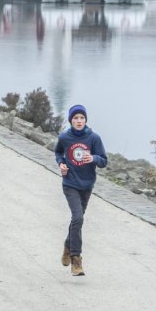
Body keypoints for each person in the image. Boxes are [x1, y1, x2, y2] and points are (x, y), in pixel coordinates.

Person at [54, 104, 108, 276]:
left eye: (82, 118)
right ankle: (76, 260)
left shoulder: (94, 138)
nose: (79, 121)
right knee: (78, 217)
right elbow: (58, 153)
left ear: (85, 120)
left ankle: (67, 246)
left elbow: (104, 161)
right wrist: (61, 164)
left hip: (87, 185)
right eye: (76, 118)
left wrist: (92, 158)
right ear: (71, 120)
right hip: (70, 184)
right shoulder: (65, 137)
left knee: (77, 220)